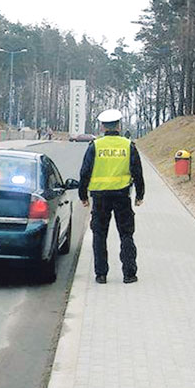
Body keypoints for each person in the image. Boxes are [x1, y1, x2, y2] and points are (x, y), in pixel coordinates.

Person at [78, 109, 145, 284]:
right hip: (122, 196)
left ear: (102, 126)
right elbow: (137, 171)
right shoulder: (128, 146)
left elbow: (85, 172)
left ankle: (101, 274)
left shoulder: (95, 146)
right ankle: (129, 274)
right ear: (119, 125)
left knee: (99, 234)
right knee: (126, 234)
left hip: (99, 198)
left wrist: (83, 195)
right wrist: (140, 194)